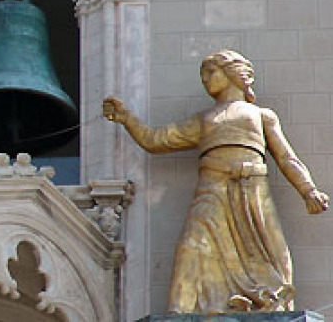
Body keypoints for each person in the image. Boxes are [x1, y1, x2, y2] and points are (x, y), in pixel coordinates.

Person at [103, 49, 328, 313]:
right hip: (211, 191)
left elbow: (287, 158)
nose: (205, 79)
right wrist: (127, 118)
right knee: (190, 247)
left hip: (252, 192)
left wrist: (309, 190)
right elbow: (156, 140)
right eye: (203, 74)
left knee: (271, 252)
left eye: (210, 72)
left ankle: (274, 303)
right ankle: (180, 311)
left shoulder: (261, 116)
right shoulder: (204, 120)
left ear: (233, 73)